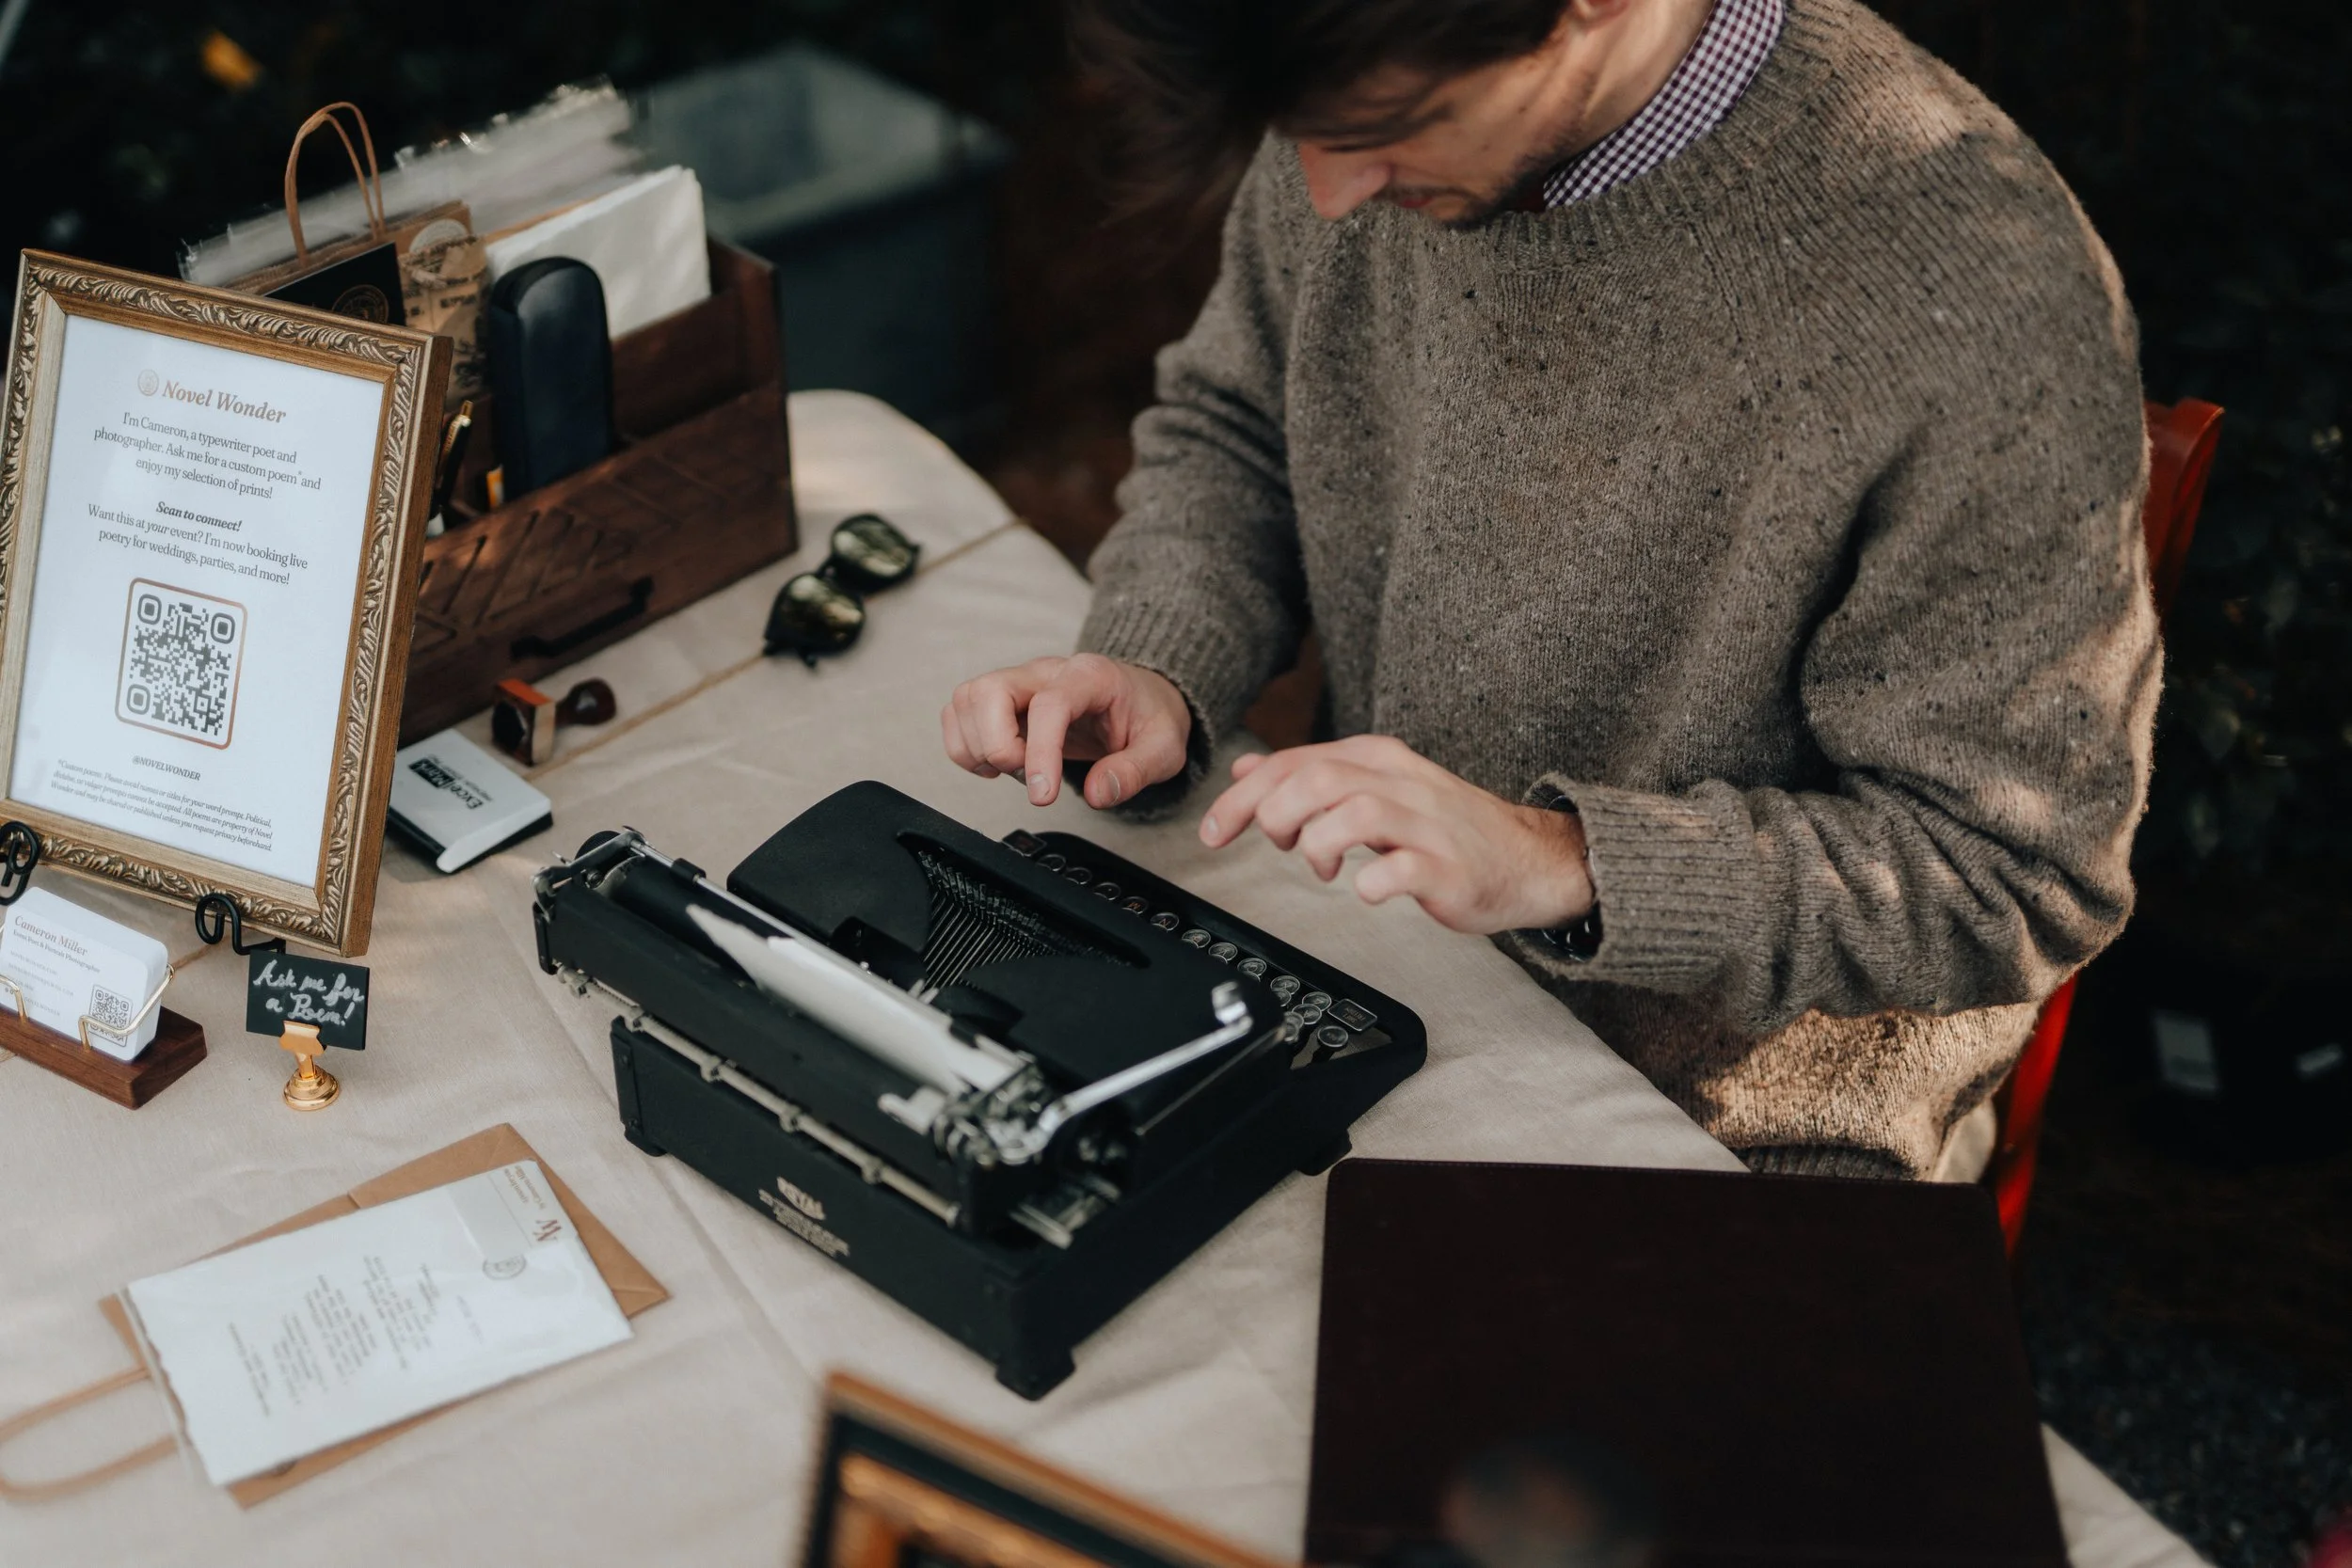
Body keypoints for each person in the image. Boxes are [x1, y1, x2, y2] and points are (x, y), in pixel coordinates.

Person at [940, 0, 2157, 1180]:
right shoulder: (1354, 55)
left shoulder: (1977, 302)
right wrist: (1162, 655)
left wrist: (1564, 859)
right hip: (1346, 977)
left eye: (1375, 132)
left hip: (1721, 1148)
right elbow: (1240, 422)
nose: (1328, 194)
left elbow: (2011, 872)